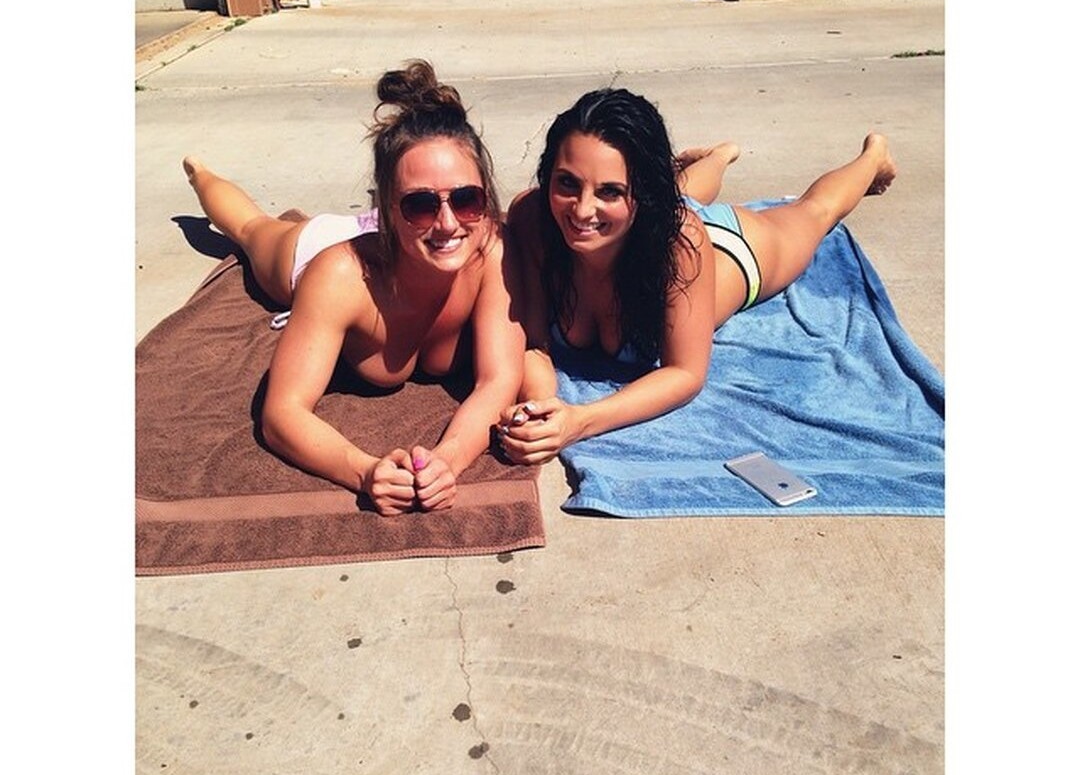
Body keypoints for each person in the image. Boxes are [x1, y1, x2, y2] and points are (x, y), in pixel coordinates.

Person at [183, 60, 524, 515]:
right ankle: (200, 173)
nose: (447, 222)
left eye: (466, 199)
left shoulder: (490, 250)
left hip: (403, 243)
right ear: (385, 207)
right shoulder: (336, 275)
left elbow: (499, 380)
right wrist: (364, 471)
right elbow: (282, 414)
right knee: (251, 229)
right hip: (336, 255)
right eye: (420, 203)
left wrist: (448, 459)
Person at [497, 87, 895, 465]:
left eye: (610, 191)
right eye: (567, 183)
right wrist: (539, 406)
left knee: (815, 213)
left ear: (641, 194)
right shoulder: (533, 219)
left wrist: (579, 421)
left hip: (727, 250)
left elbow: (685, 373)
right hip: (645, 222)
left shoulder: (680, 242)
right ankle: (720, 156)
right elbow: (534, 343)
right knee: (668, 196)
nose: (582, 209)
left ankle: (873, 157)